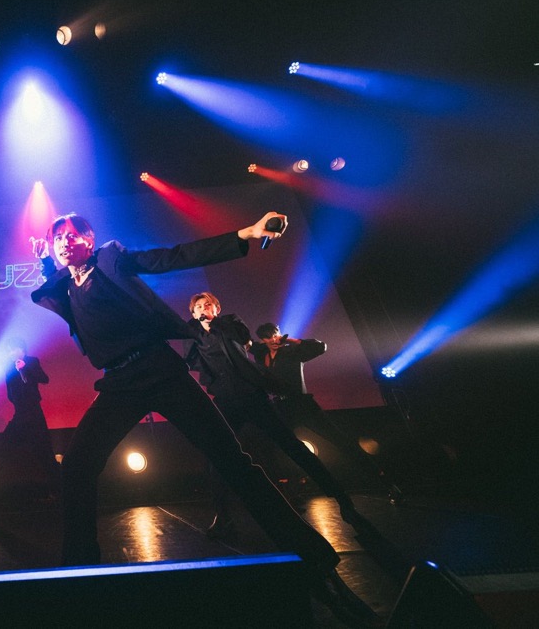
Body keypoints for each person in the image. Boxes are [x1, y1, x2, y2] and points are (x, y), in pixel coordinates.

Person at [30, 212, 379, 625]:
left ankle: (318, 562)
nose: (64, 241)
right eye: (57, 237)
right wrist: (45, 262)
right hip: (119, 382)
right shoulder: (65, 286)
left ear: (90, 240)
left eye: (72, 234)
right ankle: (81, 574)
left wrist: (245, 234)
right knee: (77, 465)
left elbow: (173, 256)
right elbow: (52, 280)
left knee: (233, 462)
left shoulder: (111, 259)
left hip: (159, 371)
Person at [184, 293, 377, 538]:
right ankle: (223, 517)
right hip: (225, 401)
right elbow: (191, 361)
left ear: (217, 308)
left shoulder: (230, 322)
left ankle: (342, 500)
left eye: (208, 305)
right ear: (193, 313)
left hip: (252, 396)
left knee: (292, 446)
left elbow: (243, 338)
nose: (204, 309)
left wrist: (216, 324)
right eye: (199, 307)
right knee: (217, 455)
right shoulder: (192, 334)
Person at [252, 322, 402, 503]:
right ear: (263, 340)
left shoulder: (292, 352)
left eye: (275, 334)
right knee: (281, 448)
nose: (273, 339)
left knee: (340, 441)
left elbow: (320, 347)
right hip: (281, 407)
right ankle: (289, 494)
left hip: (302, 404)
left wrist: (291, 340)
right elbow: (246, 345)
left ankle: (386, 483)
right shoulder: (261, 354)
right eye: (268, 337)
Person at [0, 338, 61, 521]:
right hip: (20, 417)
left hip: (34, 417)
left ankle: (66, 497)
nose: (10, 353)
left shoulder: (31, 361)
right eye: (8, 350)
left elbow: (44, 378)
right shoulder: (7, 364)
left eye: (12, 349)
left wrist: (25, 367)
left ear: (21, 350)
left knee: (47, 459)